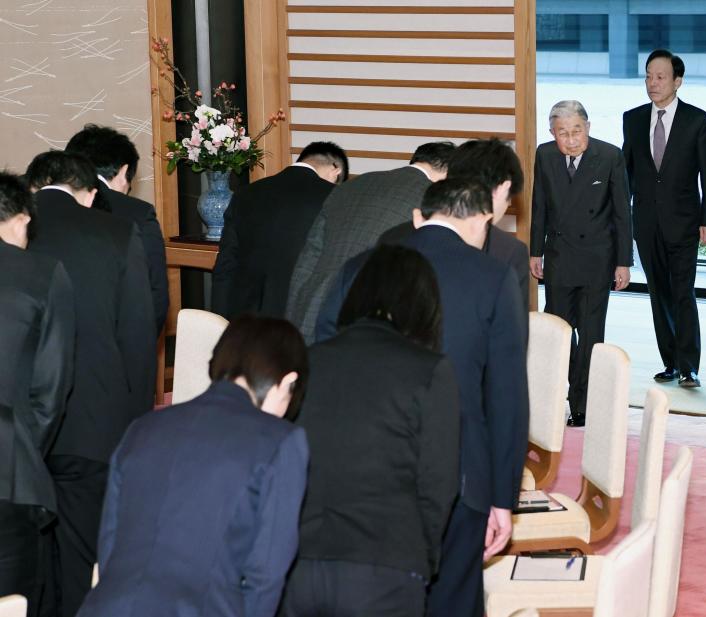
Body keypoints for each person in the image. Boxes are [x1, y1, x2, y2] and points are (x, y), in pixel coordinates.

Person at [315, 179, 528, 617]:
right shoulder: (493, 277)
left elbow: (323, 361)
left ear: (418, 218)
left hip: (359, 475)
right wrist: (502, 498)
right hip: (460, 473)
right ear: (482, 220)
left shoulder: (358, 268)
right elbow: (506, 398)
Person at [76, 317, 309, 617]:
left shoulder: (144, 428)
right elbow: (265, 576)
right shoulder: (282, 441)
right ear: (288, 382)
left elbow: (109, 549)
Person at [284, 245, 459, 616]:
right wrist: (420, 559)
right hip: (385, 566)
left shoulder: (309, 361)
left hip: (299, 563)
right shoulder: (429, 371)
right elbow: (437, 484)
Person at [25, 150, 156, 616]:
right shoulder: (118, 233)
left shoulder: (14, 235)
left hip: (20, 428)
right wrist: (137, 429)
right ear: (89, 191)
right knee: (85, 553)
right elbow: (138, 340)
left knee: (25, 557)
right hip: (95, 423)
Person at [286, 141, 454, 340]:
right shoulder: (431, 201)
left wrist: (293, 317)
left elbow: (308, 259)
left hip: (312, 307)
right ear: (448, 172)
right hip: (368, 319)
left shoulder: (352, 185)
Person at [0, 172, 75, 617]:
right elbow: (51, 388)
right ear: (20, 219)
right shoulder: (43, 273)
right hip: (8, 466)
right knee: (14, 596)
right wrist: (25, 449)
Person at [623, 49, 706, 388]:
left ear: (677, 81)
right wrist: (621, 217)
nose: (653, 82)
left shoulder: (698, 120)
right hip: (646, 223)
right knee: (658, 293)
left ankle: (689, 366)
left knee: (682, 292)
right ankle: (670, 362)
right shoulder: (632, 119)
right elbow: (627, 174)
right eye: (648, 75)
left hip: (684, 222)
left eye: (660, 76)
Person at [531, 100, 632, 426]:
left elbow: (622, 213)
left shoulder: (610, 155)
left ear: (588, 127)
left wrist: (623, 262)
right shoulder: (544, 155)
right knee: (558, 331)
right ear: (552, 133)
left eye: (576, 131)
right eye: (563, 133)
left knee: (591, 334)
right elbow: (539, 206)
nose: (571, 139)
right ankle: (561, 391)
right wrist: (535, 251)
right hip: (559, 256)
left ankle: (582, 404)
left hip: (597, 259)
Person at [379, 138, 530, 316]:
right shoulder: (508, 252)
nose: (509, 204)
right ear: (503, 188)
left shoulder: (393, 236)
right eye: (509, 197)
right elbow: (512, 338)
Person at [211, 141, 348, 319]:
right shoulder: (334, 197)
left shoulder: (246, 194)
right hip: (298, 320)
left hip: (245, 320)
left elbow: (225, 266)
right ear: (336, 169)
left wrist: (219, 322)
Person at [65, 124, 169, 335]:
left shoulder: (40, 205)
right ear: (123, 171)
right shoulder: (137, 213)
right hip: (113, 342)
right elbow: (154, 295)